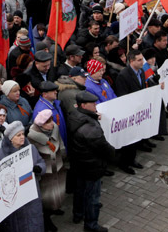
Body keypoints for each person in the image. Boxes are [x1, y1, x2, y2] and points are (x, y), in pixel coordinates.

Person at [68, 90, 116, 232]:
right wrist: (113, 154)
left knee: (80, 191)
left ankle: (78, 214)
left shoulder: (74, 115)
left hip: (79, 163)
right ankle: (91, 225)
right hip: (92, 166)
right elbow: (103, 147)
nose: (96, 105)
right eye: (93, 103)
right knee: (93, 198)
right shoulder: (90, 128)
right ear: (84, 105)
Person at [0, 121, 45, 232]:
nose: (22, 137)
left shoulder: (31, 148)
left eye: (23, 134)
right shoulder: (0, 155)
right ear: (10, 138)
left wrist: (39, 168)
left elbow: (41, 162)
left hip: (32, 197)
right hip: (15, 202)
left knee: (35, 224)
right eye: (18, 135)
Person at [28, 110, 66, 231]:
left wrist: (63, 154)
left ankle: (55, 207)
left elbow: (60, 142)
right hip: (46, 172)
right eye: (48, 122)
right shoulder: (31, 137)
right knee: (46, 197)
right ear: (41, 125)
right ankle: (47, 220)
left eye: (51, 120)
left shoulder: (54, 128)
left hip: (57, 167)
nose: (52, 123)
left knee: (57, 190)